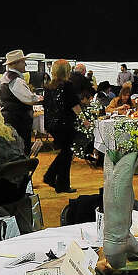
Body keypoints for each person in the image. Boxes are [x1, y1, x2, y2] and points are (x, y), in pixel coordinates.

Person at [42, 59, 82, 194]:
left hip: (52, 125)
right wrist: (84, 120)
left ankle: (57, 181)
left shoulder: (48, 87)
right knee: (66, 153)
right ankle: (53, 178)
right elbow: (74, 105)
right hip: (66, 124)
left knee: (65, 153)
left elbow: (46, 106)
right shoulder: (67, 85)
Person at [0, 49, 41, 150]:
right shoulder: (16, 80)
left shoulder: (4, 78)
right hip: (18, 120)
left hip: (8, 118)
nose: (25, 64)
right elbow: (29, 99)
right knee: (21, 148)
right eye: (22, 61)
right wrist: (39, 98)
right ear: (15, 64)